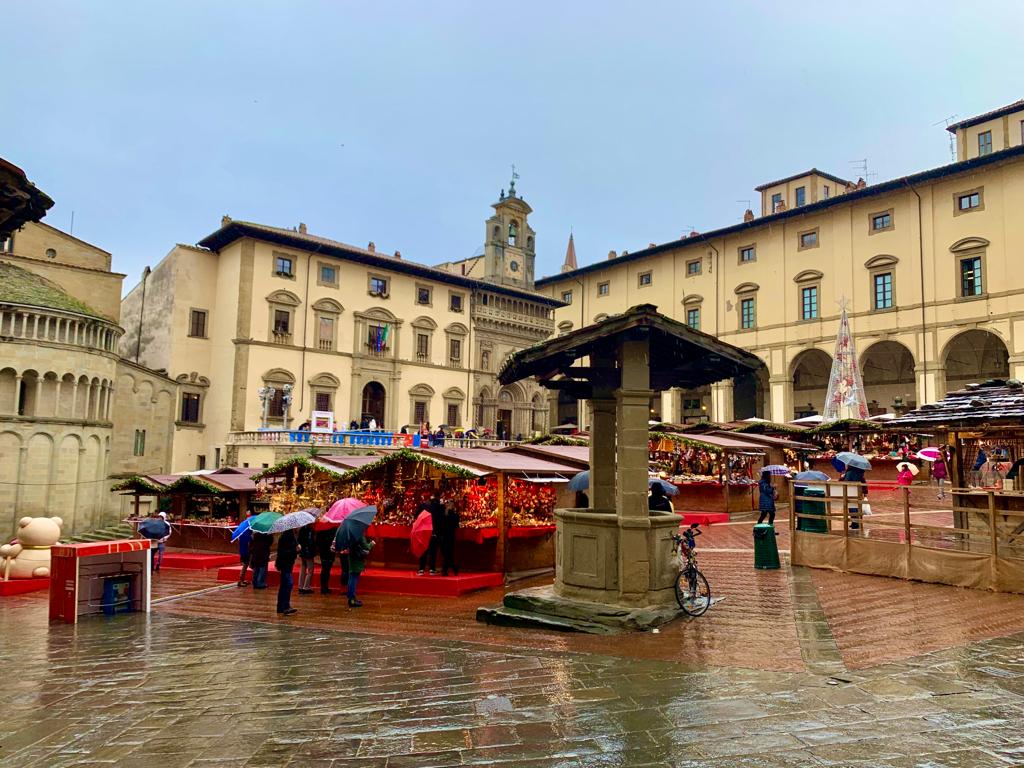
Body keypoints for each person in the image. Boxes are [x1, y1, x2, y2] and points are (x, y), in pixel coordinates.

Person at [417, 494, 445, 575]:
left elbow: (417, 516)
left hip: (424, 532)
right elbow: (441, 520)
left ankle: (421, 569)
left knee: (424, 551)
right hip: (434, 532)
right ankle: (432, 569)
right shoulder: (439, 508)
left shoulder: (423, 506)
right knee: (433, 551)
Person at [275, 529, 298, 616]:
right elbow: (284, 552)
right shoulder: (287, 536)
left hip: (286, 563)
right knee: (288, 584)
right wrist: (295, 550)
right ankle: (285, 606)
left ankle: (281, 606)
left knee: (284, 585)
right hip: (285, 564)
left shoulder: (288, 535)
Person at [347, 535, 374, 607]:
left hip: (351, 557)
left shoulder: (350, 533)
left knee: (351, 577)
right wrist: (372, 543)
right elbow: (366, 547)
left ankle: (351, 598)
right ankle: (352, 599)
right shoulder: (359, 535)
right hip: (357, 558)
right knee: (354, 579)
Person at [841, 464, 868, 529]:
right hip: (858, 493)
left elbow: (845, 482)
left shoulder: (848, 473)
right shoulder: (860, 473)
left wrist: (842, 477)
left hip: (850, 492)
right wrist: (865, 492)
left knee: (852, 508)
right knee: (857, 507)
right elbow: (864, 482)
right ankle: (856, 522)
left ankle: (854, 523)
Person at [236, 510, 256, 587]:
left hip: (243, 551)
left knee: (247, 564)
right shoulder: (247, 534)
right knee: (246, 565)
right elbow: (250, 542)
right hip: (246, 551)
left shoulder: (242, 532)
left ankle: (242, 580)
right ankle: (241, 580)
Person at [440, 502, 460, 577]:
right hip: (451, 536)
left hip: (445, 536)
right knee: (449, 554)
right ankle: (453, 567)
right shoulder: (455, 515)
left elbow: (441, 525)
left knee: (446, 554)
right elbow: (457, 525)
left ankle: (445, 569)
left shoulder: (445, 515)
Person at [315, 525, 336, 594]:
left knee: (325, 570)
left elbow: (317, 542)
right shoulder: (333, 530)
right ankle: (324, 587)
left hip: (323, 553)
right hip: (329, 553)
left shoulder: (321, 530)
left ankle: (324, 587)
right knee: (326, 570)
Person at [297, 523, 315, 595]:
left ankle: (300, 586)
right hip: (308, 552)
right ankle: (306, 587)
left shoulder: (301, 529)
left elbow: (299, 540)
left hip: (303, 551)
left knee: (303, 568)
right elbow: (310, 541)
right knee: (310, 570)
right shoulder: (310, 530)